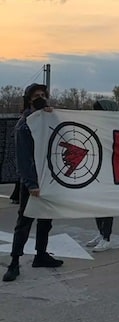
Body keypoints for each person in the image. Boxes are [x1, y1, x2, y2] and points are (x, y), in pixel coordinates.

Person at [3, 83, 64, 282]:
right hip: (33, 181)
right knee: (24, 222)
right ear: (29, 99)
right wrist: (31, 184)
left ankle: (41, 254)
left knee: (46, 219)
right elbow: (23, 158)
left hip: (48, 178)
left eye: (43, 95)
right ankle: (14, 263)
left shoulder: (46, 118)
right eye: (36, 95)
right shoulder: (25, 123)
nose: (40, 98)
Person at [85, 100, 119, 252]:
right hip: (96, 169)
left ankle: (107, 237)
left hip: (110, 170)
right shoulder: (96, 124)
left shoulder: (114, 125)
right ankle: (100, 232)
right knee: (96, 204)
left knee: (106, 205)